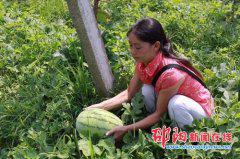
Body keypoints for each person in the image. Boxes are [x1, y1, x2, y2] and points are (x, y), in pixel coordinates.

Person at [87, 18, 214, 142]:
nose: (133, 51)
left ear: (156, 46)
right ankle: (159, 124)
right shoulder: (143, 63)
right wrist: (99, 107)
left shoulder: (171, 74)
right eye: (130, 46)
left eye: (137, 47)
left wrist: (127, 129)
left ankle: (189, 141)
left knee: (176, 104)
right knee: (146, 89)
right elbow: (129, 93)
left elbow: (158, 113)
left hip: (199, 110)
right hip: (173, 103)